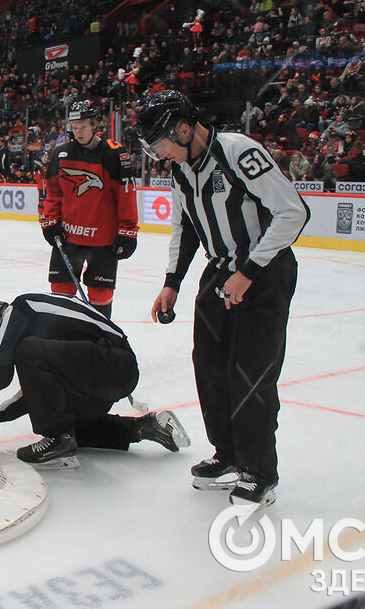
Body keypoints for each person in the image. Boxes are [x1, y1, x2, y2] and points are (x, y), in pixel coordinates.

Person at [137, 90, 310, 509]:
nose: (160, 154)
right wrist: (171, 282)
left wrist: (248, 272)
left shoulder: (237, 152)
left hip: (263, 274)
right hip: (219, 273)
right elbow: (187, 228)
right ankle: (228, 454)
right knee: (210, 366)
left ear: (183, 127)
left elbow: (294, 212)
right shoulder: (182, 171)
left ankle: (259, 472)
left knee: (251, 373)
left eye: (162, 144)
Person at [0, 294, 189, 469]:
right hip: (104, 372)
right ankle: (146, 427)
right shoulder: (36, 325)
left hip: (114, 363)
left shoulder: (21, 308)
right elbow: (37, 393)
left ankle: (57, 439)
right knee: (70, 428)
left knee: (25, 352)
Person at [41, 99, 139, 319]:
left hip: (103, 241)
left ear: (94, 124)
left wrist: (128, 230)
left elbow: (126, 195)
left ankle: (99, 345)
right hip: (68, 239)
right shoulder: (62, 153)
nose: (78, 132)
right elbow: (53, 192)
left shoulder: (114, 154)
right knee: (60, 295)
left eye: (83, 126)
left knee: (101, 296)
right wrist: (50, 221)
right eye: (74, 128)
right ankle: (63, 342)